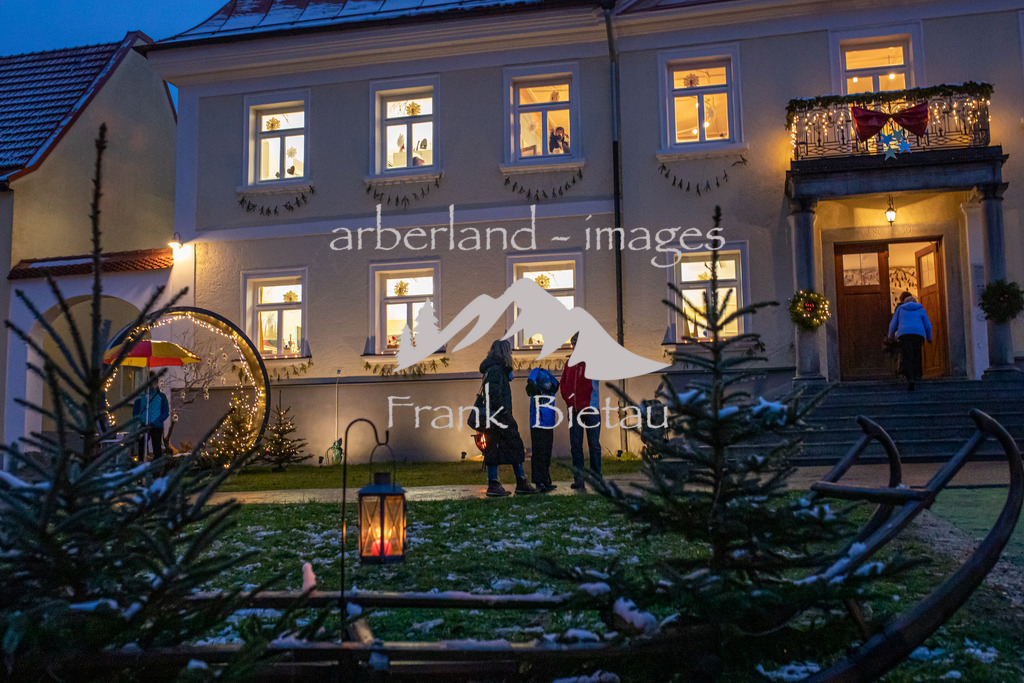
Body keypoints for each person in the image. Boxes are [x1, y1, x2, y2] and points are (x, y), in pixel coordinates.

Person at [478, 339, 537, 497]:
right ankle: (513, 482)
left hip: (497, 416)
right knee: (512, 446)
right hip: (499, 417)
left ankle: (505, 482)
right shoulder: (496, 370)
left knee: (496, 448)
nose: (511, 355)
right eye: (509, 352)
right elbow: (493, 394)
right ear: (503, 353)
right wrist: (504, 413)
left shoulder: (495, 369)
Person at [559, 333, 601, 490]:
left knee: (593, 444)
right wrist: (568, 399)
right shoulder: (569, 363)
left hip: (591, 408)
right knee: (576, 445)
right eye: (573, 343)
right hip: (574, 409)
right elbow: (563, 383)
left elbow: (591, 384)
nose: (575, 346)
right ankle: (579, 479)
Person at [887, 291, 932, 391]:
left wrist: (890, 336)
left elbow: (893, 324)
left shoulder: (900, 309)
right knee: (917, 354)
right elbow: (928, 325)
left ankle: (910, 378)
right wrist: (929, 338)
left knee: (907, 355)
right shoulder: (920, 309)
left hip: (905, 334)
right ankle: (918, 376)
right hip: (918, 334)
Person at [526, 366, 559, 492]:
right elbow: (530, 384)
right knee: (540, 452)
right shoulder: (540, 380)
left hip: (546, 423)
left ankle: (544, 479)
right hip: (539, 423)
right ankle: (540, 480)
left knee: (545, 452)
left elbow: (555, 384)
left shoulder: (547, 382)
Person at [132, 371, 170, 460]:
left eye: (154, 383)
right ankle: (142, 465)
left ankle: (156, 469)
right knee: (142, 448)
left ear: (156, 384)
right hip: (143, 425)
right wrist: (139, 422)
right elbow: (135, 412)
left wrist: (156, 422)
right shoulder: (141, 397)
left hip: (156, 426)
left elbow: (165, 412)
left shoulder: (161, 396)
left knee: (156, 448)